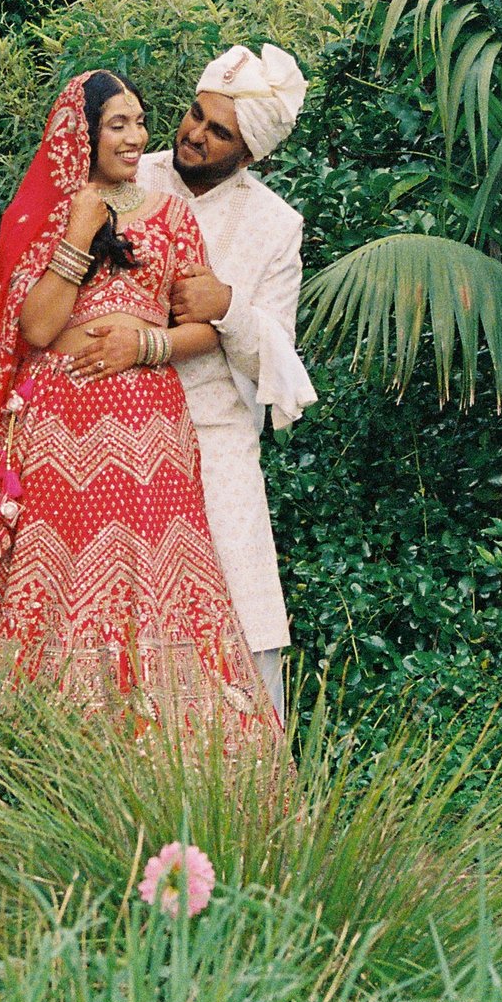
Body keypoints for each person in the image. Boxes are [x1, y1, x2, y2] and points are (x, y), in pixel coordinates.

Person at [0, 70, 280, 747]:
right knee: (53, 578)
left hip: (150, 432)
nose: (137, 137)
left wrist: (148, 345)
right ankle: (35, 748)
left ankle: (169, 749)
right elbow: (37, 331)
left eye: (140, 121)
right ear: (85, 134)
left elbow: (205, 325)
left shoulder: (170, 216)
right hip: (54, 427)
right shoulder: (50, 214)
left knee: (154, 583)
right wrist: (79, 232)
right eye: (119, 125)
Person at [139, 44, 316, 722]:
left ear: (250, 154)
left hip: (216, 439)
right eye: (195, 116)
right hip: (119, 423)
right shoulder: (133, 176)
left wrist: (228, 307)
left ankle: (244, 793)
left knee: (240, 607)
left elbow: (277, 359)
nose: (194, 135)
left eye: (219, 133)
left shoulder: (276, 225)